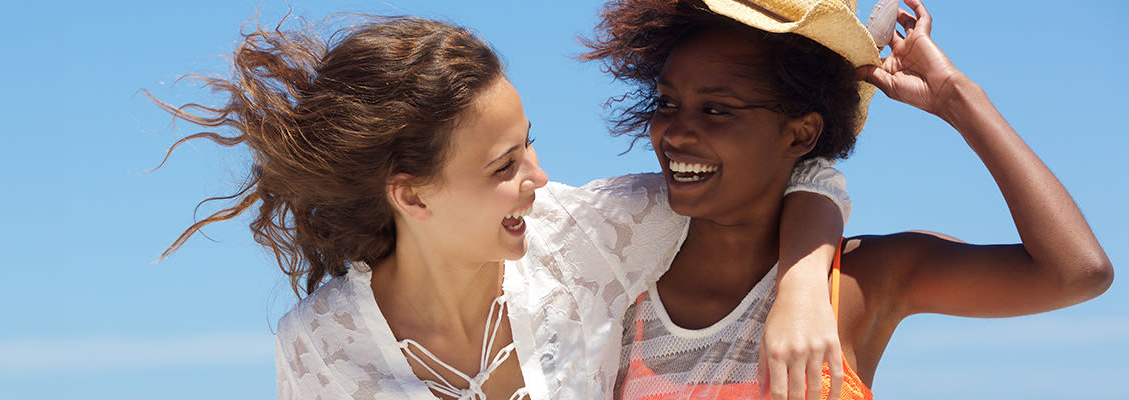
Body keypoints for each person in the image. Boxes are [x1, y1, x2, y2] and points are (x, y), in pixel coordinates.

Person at [147, 14, 851, 400]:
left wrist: (801, 293)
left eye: (529, 147)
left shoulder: (588, 237)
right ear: (412, 193)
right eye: (503, 166)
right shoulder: (317, 346)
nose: (538, 179)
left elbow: (792, 172)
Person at [579, 0, 1114, 399]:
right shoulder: (618, 278)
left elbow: (1077, 272)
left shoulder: (857, 284)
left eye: (717, 111)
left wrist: (955, 96)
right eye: (668, 102)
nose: (675, 133)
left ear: (800, 134)